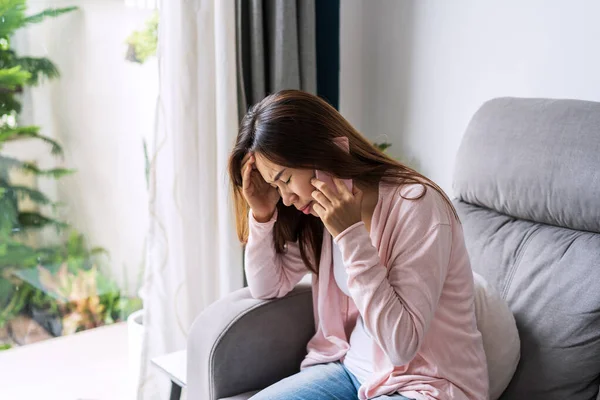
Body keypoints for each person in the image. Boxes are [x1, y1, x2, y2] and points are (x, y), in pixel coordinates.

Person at [227, 90, 488, 400]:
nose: (286, 198)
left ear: (318, 151)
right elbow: (267, 287)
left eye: (285, 179)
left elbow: (401, 345)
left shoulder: (417, 207)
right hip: (352, 372)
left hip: (426, 385)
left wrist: (350, 234)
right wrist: (262, 214)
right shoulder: (319, 215)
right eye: (275, 186)